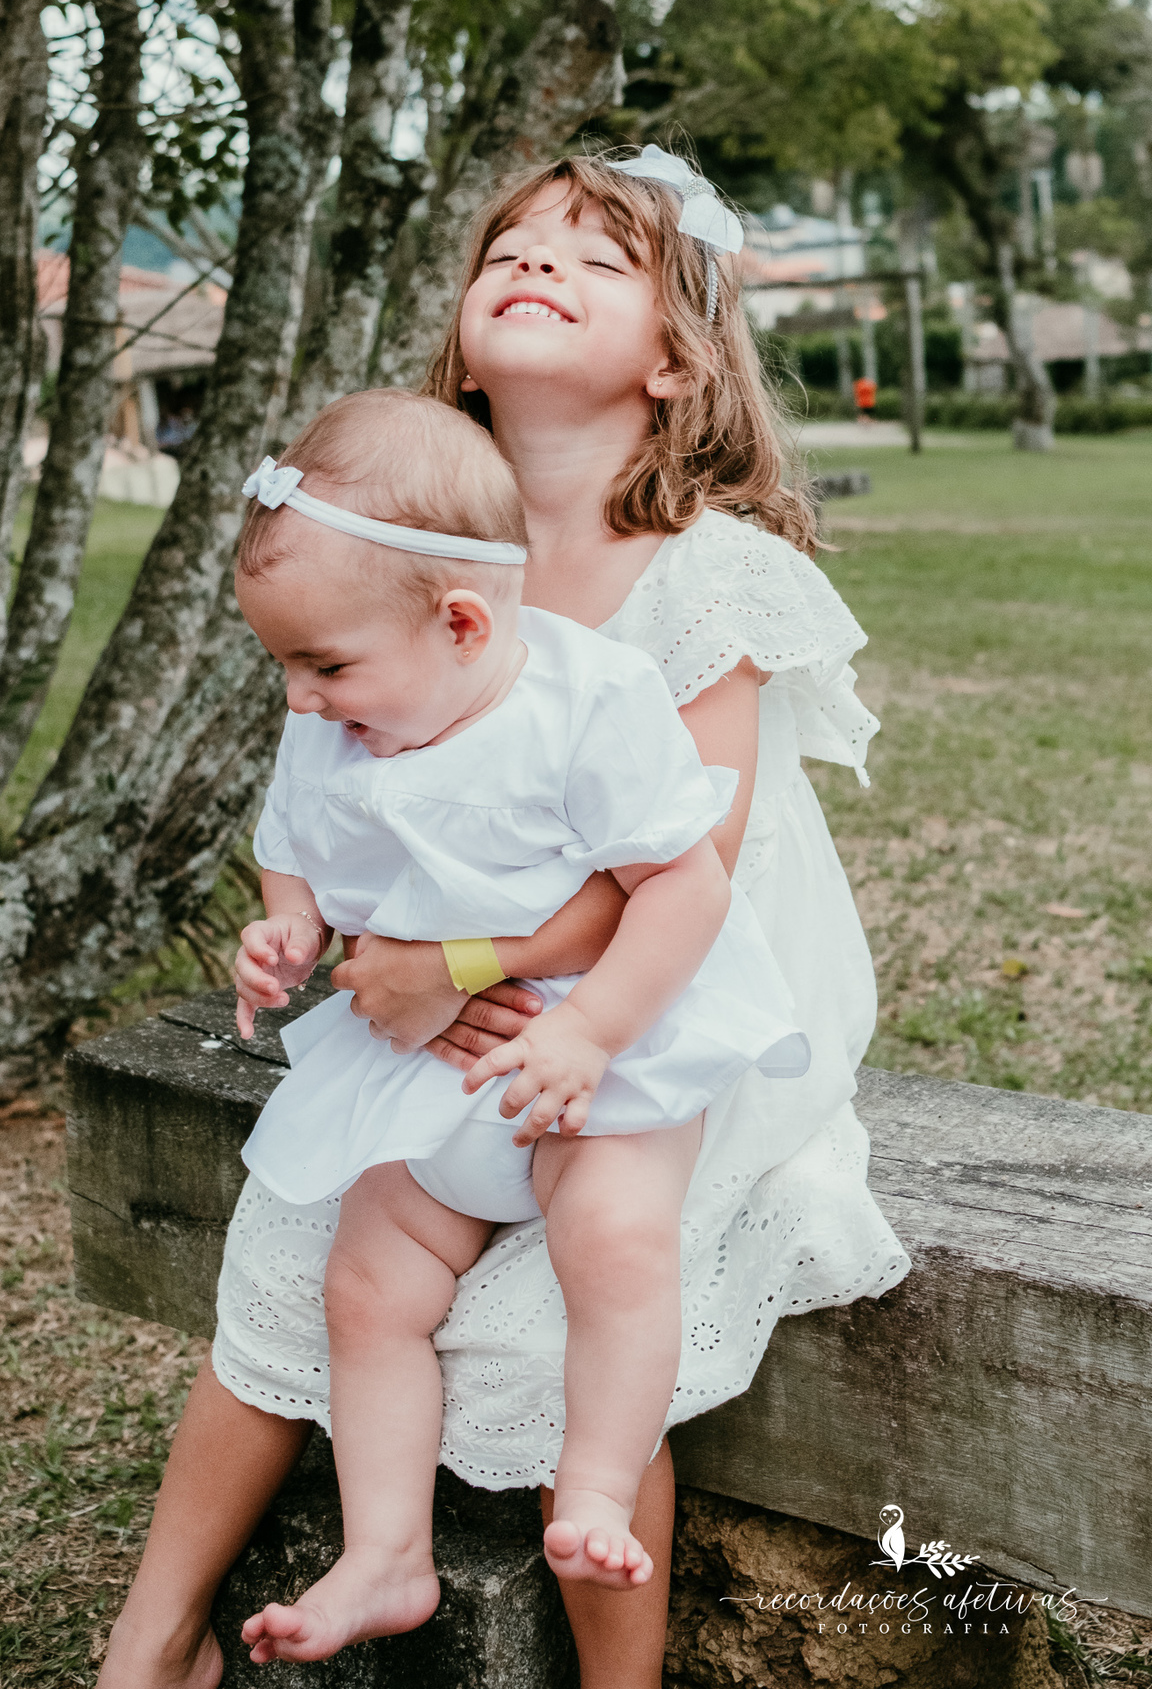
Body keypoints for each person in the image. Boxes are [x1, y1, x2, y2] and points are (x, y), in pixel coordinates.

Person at [99, 145, 909, 1689]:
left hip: (668, 996)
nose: (537, 268)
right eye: (510, 252)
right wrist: (339, 940)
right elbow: (341, 799)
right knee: (303, 1252)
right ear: (464, 337)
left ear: (675, 363)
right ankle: (154, 1638)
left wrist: (447, 970)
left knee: (571, 1308)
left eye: (596, 263)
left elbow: (686, 869)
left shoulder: (710, 578)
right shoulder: (392, 551)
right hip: (456, 1002)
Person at [227, 388, 808, 1661]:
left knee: (615, 1240)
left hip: (607, 1048)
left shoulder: (587, 703)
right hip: (436, 1057)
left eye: (324, 666)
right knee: (367, 1282)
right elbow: (295, 852)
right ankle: (387, 1554)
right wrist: (287, 930)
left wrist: (588, 1031)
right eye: (285, 666)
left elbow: (683, 885)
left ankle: (593, 1484)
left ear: (463, 623)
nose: (302, 698)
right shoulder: (337, 719)